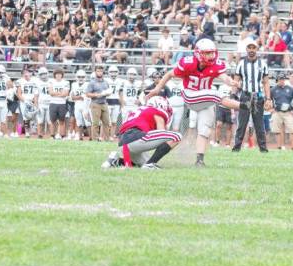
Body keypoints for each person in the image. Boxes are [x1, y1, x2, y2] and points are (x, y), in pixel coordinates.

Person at [147, 38, 247, 167]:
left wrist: (231, 82)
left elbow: (223, 77)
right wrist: (157, 89)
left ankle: (199, 160)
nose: (211, 56)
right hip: (190, 95)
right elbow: (169, 74)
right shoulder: (188, 63)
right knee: (215, 94)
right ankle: (244, 106)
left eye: (212, 52)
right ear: (199, 53)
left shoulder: (215, 64)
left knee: (204, 130)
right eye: (207, 53)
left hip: (205, 99)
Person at [102, 96, 181, 169]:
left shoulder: (137, 110)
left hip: (123, 144)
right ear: (160, 105)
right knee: (177, 136)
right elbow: (162, 133)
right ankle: (150, 164)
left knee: (142, 163)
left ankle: (114, 160)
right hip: (136, 137)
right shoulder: (156, 111)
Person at [233, 39, 271, 153]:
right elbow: (236, 80)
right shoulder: (241, 64)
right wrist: (233, 94)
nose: (251, 50)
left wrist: (268, 98)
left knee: (259, 124)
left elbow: (266, 82)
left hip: (258, 96)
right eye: (249, 48)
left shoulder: (262, 64)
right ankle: (236, 147)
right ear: (246, 49)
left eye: (253, 48)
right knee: (242, 123)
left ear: (257, 49)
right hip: (245, 95)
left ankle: (263, 149)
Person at [271, 73, 293, 150]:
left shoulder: (290, 89)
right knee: (277, 130)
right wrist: (271, 109)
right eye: (280, 79)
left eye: (283, 79)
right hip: (277, 112)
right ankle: (279, 147)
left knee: (292, 130)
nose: (282, 81)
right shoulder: (273, 89)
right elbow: (268, 99)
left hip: (288, 112)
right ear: (277, 80)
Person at [86, 65, 111, 142]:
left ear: (103, 72)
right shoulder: (92, 82)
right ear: (95, 72)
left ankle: (106, 139)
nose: (99, 72)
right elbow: (87, 94)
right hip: (95, 103)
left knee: (106, 122)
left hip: (104, 103)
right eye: (98, 71)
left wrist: (107, 93)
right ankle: (95, 139)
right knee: (96, 123)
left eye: (101, 71)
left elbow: (109, 91)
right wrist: (96, 95)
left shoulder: (106, 82)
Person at [16, 69, 39, 138]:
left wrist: (35, 103)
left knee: (34, 116)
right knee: (25, 117)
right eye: (25, 74)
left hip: (32, 101)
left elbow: (36, 93)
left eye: (27, 73)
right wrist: (25, 101)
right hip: (24, 101)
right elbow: (18, 94)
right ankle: (26, 132)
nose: (26, 75)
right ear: (22, 75)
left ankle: (34, 129)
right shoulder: (19, 81)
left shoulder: (34, 80)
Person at [48, 68, 70, 140]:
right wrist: (60, 94)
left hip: (62, 103)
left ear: (62, 75)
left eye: (60, 74)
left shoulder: (66, 82)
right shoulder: (51, 82)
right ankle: (52, 135)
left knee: (62, 120)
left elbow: (66, 94)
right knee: (52, 120)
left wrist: (56, 94)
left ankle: (62, 135)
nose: (58, 76)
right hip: (53, 103)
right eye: (57, 74)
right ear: (54, 75)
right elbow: (51, 93)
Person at [70, 69, 91, 140]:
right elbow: (72, 97)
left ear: (85, 77)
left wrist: (81, 97)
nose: (80, 78)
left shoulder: (88, 84)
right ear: (76, 77)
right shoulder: (74, 84)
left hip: (86, 105)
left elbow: (88, 96)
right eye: (79, 77)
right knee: (79, 122)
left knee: (88, 122)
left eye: (82, 77)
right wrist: (80, 97)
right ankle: (80, 137)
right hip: (77, 105)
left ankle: (91, 137)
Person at [35, 67, 51, 138]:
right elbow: (36, 95)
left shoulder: (51, 82)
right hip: (41, 103)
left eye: (45, 74)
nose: (44, 76)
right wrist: (36, 105)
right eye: (42, 74)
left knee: (50, 121)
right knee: (40, 120)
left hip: (50, 103)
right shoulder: (37, 83)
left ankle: (51, 135)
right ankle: (39, 135)